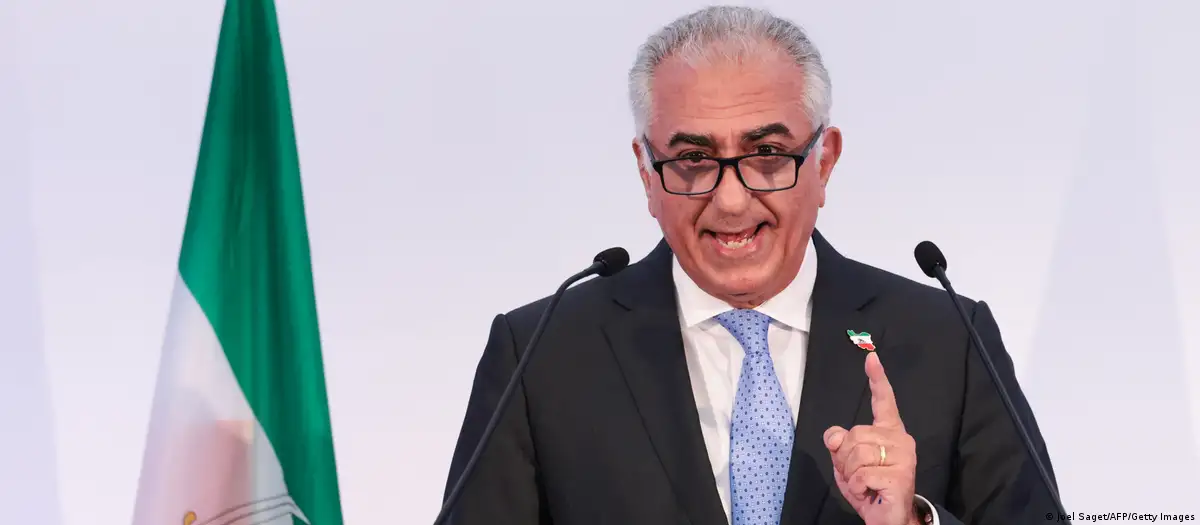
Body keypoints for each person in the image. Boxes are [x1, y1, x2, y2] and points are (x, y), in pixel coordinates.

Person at [443, 6, 1059, 525]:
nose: (731, 201)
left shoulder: (948, 339)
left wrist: (912, 522)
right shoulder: (541, 354)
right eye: (692, 159)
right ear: (646, 172)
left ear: (824, 161)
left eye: (767, 153)